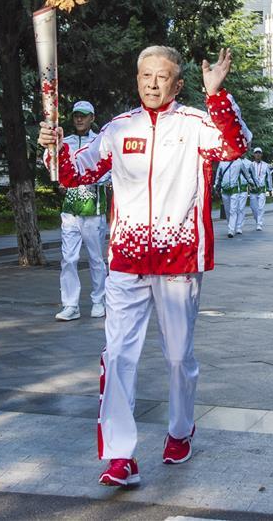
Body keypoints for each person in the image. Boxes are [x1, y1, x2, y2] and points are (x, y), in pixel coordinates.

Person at [39, 46, 250, 487]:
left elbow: (235, 146)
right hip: (127, 261)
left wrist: (217, 95)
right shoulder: (118, 129)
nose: (153, 84)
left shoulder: (196, 125)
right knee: (118, 355)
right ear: (137, 80)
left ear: (178, 83)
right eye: (145, 76)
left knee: (177, 357)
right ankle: (119, 455)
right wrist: (54, 148)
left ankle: (180, 429)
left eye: (162, 76)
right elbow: (73, 174)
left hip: (178, 260)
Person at [48, 101, 109, 322]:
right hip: (70, 211)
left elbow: (108, 171)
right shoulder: (66, 142)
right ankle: (70, 305)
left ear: (92, 118)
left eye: (84, 116)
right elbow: (55, 167)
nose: (79, 119)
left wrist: (86, 178)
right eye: (76, 116)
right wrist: (62, 181)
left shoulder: (100, 141)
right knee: (68, 259)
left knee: (96, 258)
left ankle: (99, 301)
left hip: (93, 209)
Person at [216, 156, 253, 237]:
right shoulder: (222, 162)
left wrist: (251, 182)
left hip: (234, 189)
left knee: (233, 210)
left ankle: (231, 230)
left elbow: (246, 174)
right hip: (225, 190)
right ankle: (231, 225)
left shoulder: (239, 162)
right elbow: (218, 176)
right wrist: (216, 187)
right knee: (227, 210)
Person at [248, 147, 273, 230]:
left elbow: (269, 177)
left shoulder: (265, 165)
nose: (258, 154)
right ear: (254, 154)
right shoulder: (250, 165)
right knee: (253, 207)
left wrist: (270, 189)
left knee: (260, 207)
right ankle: (257, 220)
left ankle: (259, 224)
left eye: (259, 153)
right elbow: (247, 176)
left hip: (262, 189)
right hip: (253, 189)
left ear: (261, 154)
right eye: (256, 153)